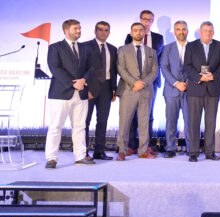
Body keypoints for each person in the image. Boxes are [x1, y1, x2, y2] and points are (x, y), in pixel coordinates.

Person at [45, 19, 95, 169]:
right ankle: (51, 158)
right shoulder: (55, 47)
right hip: (61, 93)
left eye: (79, 28)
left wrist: (84, 80)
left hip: (81, 93)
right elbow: (55, 68)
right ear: (66, 30)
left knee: (80, 127)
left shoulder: (85, 48)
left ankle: (80, 156)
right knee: (55, 127)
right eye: (75, 29)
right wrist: (72, 83)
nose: (79, 31)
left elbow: (92, 67)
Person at [183, 21, 220, 162]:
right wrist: (199, 77)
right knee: (193, 123)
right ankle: (193, 152)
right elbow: (187, 66)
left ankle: (210, 152)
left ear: (213, 32)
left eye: (210, 31)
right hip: (195, 89)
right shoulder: (191, 46)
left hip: (213, 88)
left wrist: (214, 75)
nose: (208, 33)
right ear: (200, 32)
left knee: (211, 122)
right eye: (205, 31)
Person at [116, 23, 159, 161]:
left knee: (144, 122)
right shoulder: (122, 49)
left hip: (146, 91)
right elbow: (121, 69)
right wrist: (134, 82)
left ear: (144, 32)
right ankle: (122, 151)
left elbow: (155, 71)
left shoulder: (151, 51)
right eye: (135, 30)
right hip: (128, 90)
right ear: (131, 33)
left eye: (141, 30)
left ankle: (143, 151)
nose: (138, 32)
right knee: (124, 122)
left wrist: (143, 83)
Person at [124, 10, 164, 154]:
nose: (147, 22)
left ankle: (146, 145)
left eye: (150, 20)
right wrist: (134, 80)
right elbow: (127, 58)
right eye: (145, 19)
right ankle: (131, 145)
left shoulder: (159, 38)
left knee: (149, 114)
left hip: (151, 82)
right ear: (140, 19)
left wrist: (149, 78)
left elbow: (160, 60)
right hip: (134, 82)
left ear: (153, 21)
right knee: (132, 113)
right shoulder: (130, 36)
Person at [83, 21, 117, 161]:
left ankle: (99, 151)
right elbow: (81, 68)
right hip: (89, 88)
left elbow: (113, 71)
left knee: (102, 121)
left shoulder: (113, 49)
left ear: (109, 32)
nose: (103, 32)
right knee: (85, 121)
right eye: (100, 30)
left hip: (106, 88)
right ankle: (83, 152)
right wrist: (85, 88)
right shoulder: (85, 46)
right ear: (95, 31)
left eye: (106, 30)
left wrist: (114, 89)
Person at [160, 20, 189, 158]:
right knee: (171, 121)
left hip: (189, 90)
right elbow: (164, 68)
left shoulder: (194, 47)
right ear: (174, 31)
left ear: (187, 31)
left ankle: (191, 148)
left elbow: (196, 68)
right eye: (178, 29)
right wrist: (176, 83)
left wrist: (188, 83)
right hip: (171, 90)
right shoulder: (167, 48)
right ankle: (170, 148)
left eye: (183, 29)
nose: (181, 31)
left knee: (190, 121)